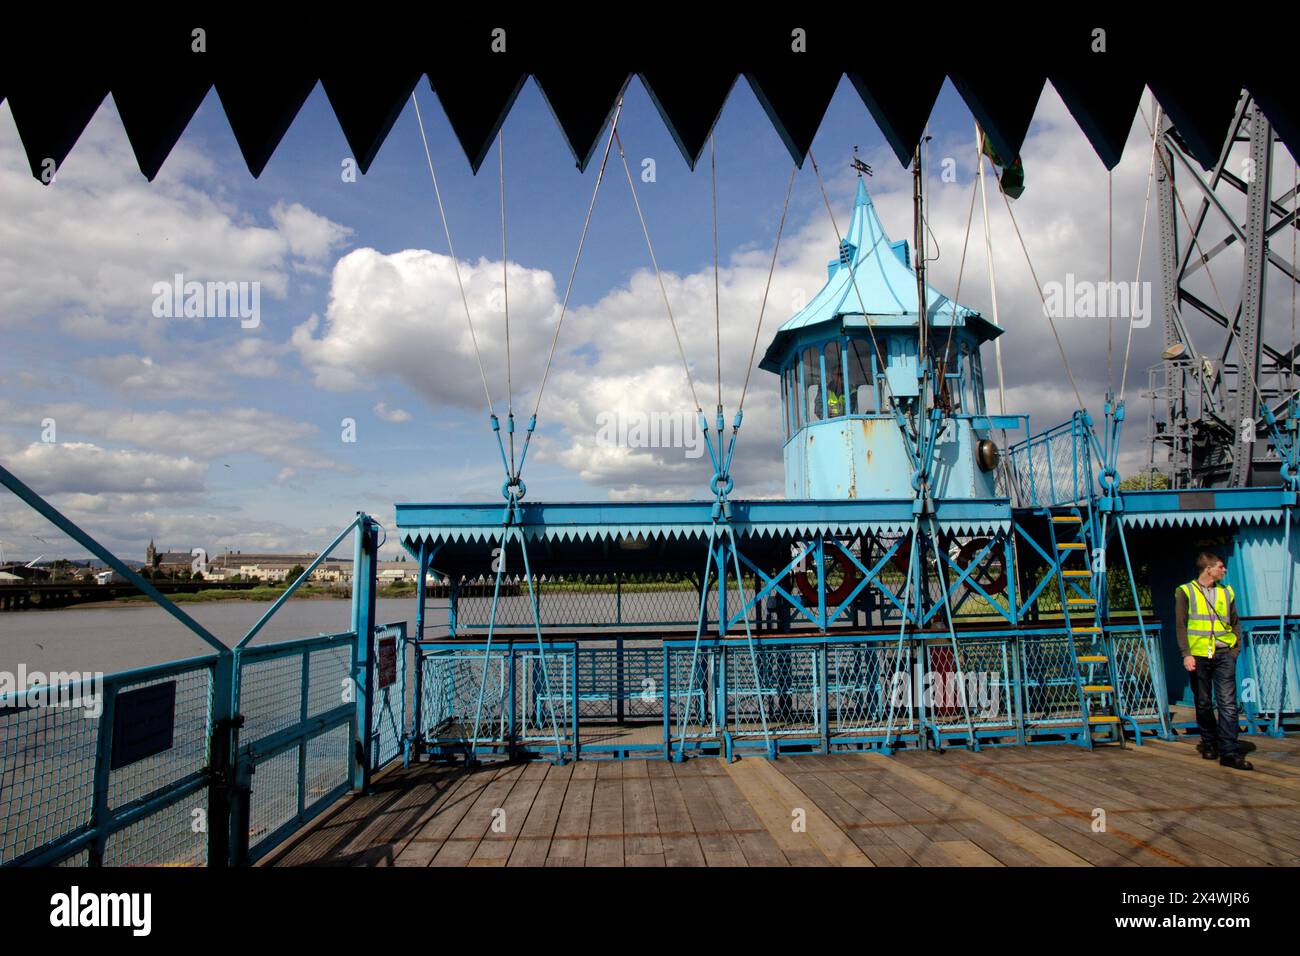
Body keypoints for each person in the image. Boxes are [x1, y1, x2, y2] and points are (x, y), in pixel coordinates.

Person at [1175, 552, 1252, 770]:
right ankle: (1209, 742)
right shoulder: (1185, 591)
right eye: (1221, 566)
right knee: (1203, 702)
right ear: (1208, 569)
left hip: (1224, 652)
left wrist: (1234, 649)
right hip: (1198, 655)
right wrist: (1186, 653)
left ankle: (1230, 751)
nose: (1224, 570)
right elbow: (1181, 625)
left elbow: (1235, 622)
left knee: (1228, 703)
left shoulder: (1226, 592)